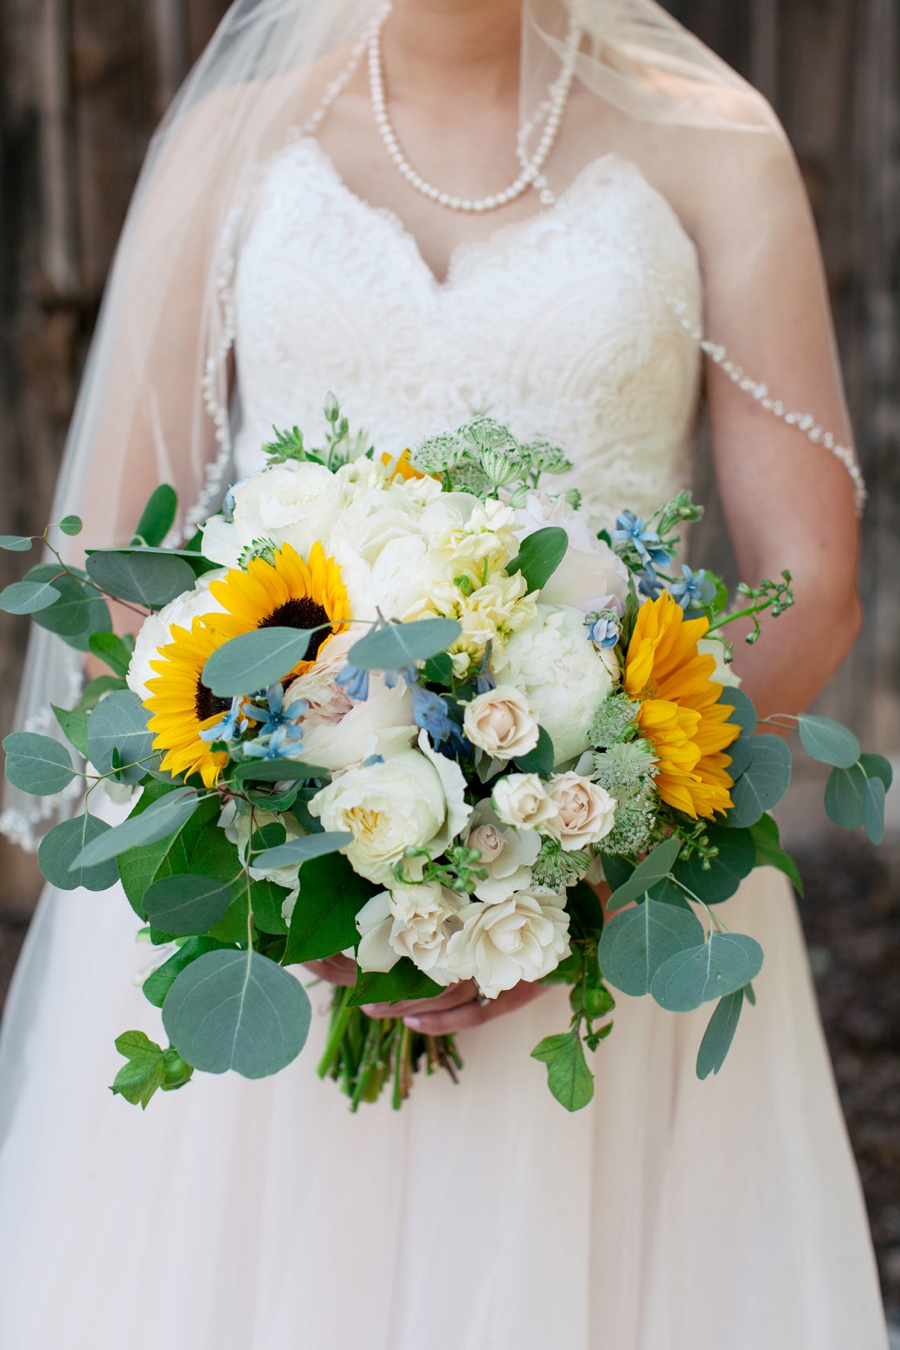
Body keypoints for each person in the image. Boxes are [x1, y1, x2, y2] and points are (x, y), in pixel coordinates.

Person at [0, 1, 888, 1346]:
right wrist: (291, 823)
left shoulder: (717, 150)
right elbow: (125, 561)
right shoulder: (229, 147)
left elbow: (809, 582)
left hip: (623, 883)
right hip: (270, 913)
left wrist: (584, 843)